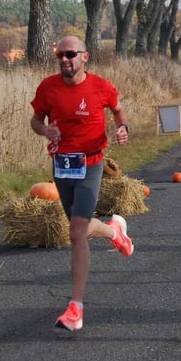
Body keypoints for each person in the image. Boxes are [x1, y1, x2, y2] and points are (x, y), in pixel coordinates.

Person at [30, 35, 134, 333]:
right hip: (63, 166)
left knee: (77, 232)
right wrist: (44, 130)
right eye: (60, 54)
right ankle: (114, 231)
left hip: (91, 164)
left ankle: (76, 306)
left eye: (71, 54)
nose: (65, 59)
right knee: (80, 230)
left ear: (84, 57)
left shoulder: (101, 86)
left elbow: (117, 109)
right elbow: (35, 120)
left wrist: (122, 127)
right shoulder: (48, 87)